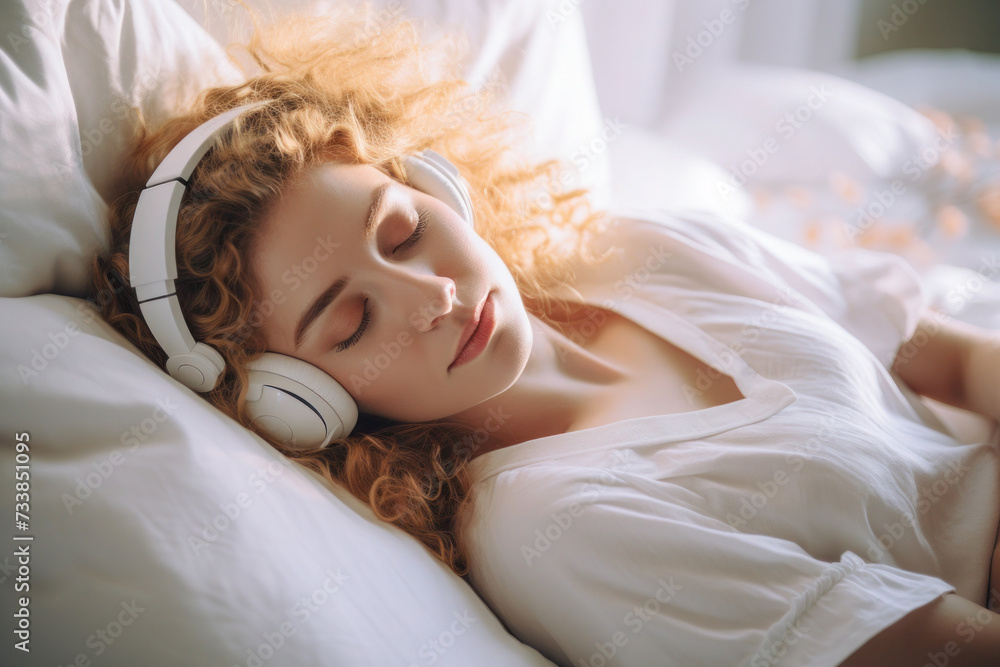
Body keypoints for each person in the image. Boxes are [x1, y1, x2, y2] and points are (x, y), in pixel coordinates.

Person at [89, 4, 1000, 666]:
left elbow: (948, 351)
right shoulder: (557, 528)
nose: (434, 292)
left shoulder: (636, 248)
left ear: (435, 182)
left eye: (401, 231)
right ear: (301, 402)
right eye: (354, 318)